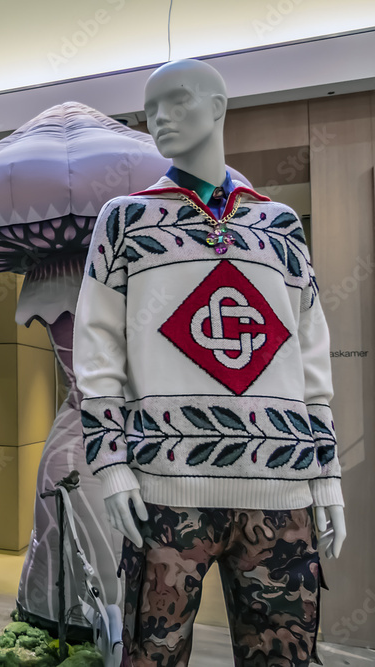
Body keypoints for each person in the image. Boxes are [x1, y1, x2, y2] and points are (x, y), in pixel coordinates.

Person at [74, 59, 346, 666]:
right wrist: (112, 465)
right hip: (166, 491)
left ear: (219, 107)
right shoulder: (126, 219)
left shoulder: (280, 227)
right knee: (153, 657)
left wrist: (325, 472)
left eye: (178, 101)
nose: (159, 118)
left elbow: (311, 355)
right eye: (150, 109)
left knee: (287, 658)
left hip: (283, 490)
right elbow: (97, 353)